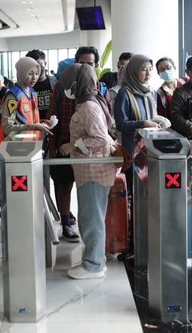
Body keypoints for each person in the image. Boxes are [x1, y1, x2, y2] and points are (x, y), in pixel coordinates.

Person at [58, 63, 121, 279]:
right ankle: (95, 260)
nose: (64, 88)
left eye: (67, 84)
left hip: (94, 171)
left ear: (78, 83)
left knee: (92, 219)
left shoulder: (88, 107)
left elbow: (101, 139)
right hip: (89, 171)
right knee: (89, 217)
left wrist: (73, 145)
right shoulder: (88, 103)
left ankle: (93, 265)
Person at [47, 46, 106, 242]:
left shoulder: (98, 90)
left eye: (89, 64)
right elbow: (52, 117)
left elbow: (103, 130)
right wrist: (54, 145)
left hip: (88, 150)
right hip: (65, 143)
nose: (85, 68)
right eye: (81, 63)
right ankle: (66, 223)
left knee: (86, 189)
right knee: (65, 184)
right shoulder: (63, 87)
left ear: (96, 65)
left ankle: (88, 228)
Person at [0, 57, 51, 144]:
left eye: (37, 73)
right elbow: (7, 127)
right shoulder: (13, 96)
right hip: (17, 147)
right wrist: (33, 127)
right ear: (22, 73)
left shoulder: (33, 93)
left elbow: (28, 120)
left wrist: (42, 123)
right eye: (30, 73)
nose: (34, 78)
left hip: (33, 144)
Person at [25, 49, 57, 121]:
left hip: (52, 124)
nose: (37, 68)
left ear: (45, 64)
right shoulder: (24, 87)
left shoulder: (55, 83)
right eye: (33, 65)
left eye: (39, 64)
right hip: (31, 125)